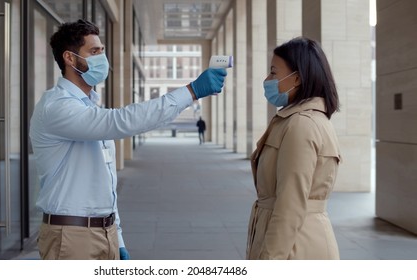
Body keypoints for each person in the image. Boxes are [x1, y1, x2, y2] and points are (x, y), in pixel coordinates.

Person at [29, 19, 226, 260]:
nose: (102, 58)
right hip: (71, 238)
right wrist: (191, 92)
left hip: (104, 232)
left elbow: (105, 181)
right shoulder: (56, 107)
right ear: (70, 59)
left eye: (102, 50)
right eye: (93, 52)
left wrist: (117, 236)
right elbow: (121, 121)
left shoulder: (89, 106)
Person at [246, 37, 341, 260]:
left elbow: (290, 205)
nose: (267, 79)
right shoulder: (298, 120)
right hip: (297, 241)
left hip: (296, 248)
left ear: (296, 78)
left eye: (273, 72)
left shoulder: (301, 125)